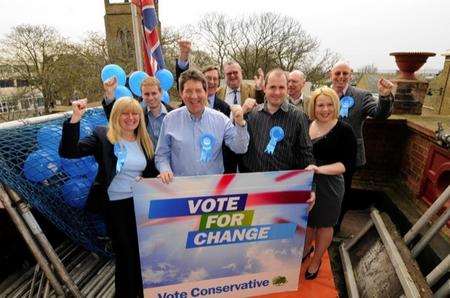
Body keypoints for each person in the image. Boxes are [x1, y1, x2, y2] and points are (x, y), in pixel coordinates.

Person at [59, 98, 158, 297]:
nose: (130, 118)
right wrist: (76, 118)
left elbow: (151, 172)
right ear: (116, 116)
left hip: (139, 205)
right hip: (115, 205)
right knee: (125, 255)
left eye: (134, 113)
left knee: (142, 254)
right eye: (125, 113)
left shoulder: (145, 140)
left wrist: (153, 178)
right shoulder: (103, 136)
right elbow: (69, 151)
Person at [330, 61, 395, 233]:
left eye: (345, 73)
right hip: (325, 153)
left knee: (343, 192)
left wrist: (385, 96)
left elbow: (380, 114)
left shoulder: (362, 95)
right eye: (337, 73)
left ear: (351, 75)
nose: (341, 77)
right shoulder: (323, 94)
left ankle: (335, 226)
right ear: (331, 74)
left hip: (349, 156)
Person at [156, 68, 249, 182]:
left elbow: (240, 148)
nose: (194, 96)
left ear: (206, 92)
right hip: (179, 189)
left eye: (198, 90)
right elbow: (161, 155)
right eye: (188, 91)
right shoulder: (169, 120)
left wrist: (240, 123)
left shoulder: (221, 120)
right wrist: (165, 169)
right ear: (181, 93)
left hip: (213, 189)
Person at [239, 68, 316, 207]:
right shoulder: (252, 115)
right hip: (253, 187)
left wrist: (311, 187)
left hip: (284, 188)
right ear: (264, 88)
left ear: (287, 89)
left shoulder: (298, 117)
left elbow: (306, 154)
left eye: (281, 87)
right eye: (272, 87)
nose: (277, 92)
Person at [302, 86, 357, 280]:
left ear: (335, 106)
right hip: (307, 181)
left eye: (329, 105)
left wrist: (320, 169)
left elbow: (348, 164)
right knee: (307, 221)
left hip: (330, 184)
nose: (325, 109)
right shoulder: (307, 124)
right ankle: (305, 251)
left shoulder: (345, 130)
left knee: (324, 224)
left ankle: (316, 259)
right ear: (313, 107)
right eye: (320, 105)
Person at [175, 40, 265, 105]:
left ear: (241, 73)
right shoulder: (216, 93)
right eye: (229, 73)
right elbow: (185, 83)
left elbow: (264, 106)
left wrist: (259, 90)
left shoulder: (254, 90)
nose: (232, 75)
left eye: (235, 72)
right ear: (224, 76)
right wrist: (184, 56)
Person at [102, 76, 173, 146]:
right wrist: (110, 93)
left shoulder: (173, 114)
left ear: (160, 93)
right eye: (146, 94)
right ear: (141, 95)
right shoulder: (136, 113)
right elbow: (116, 120)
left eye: (154, 93)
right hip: (145, 156)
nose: (150, 98)